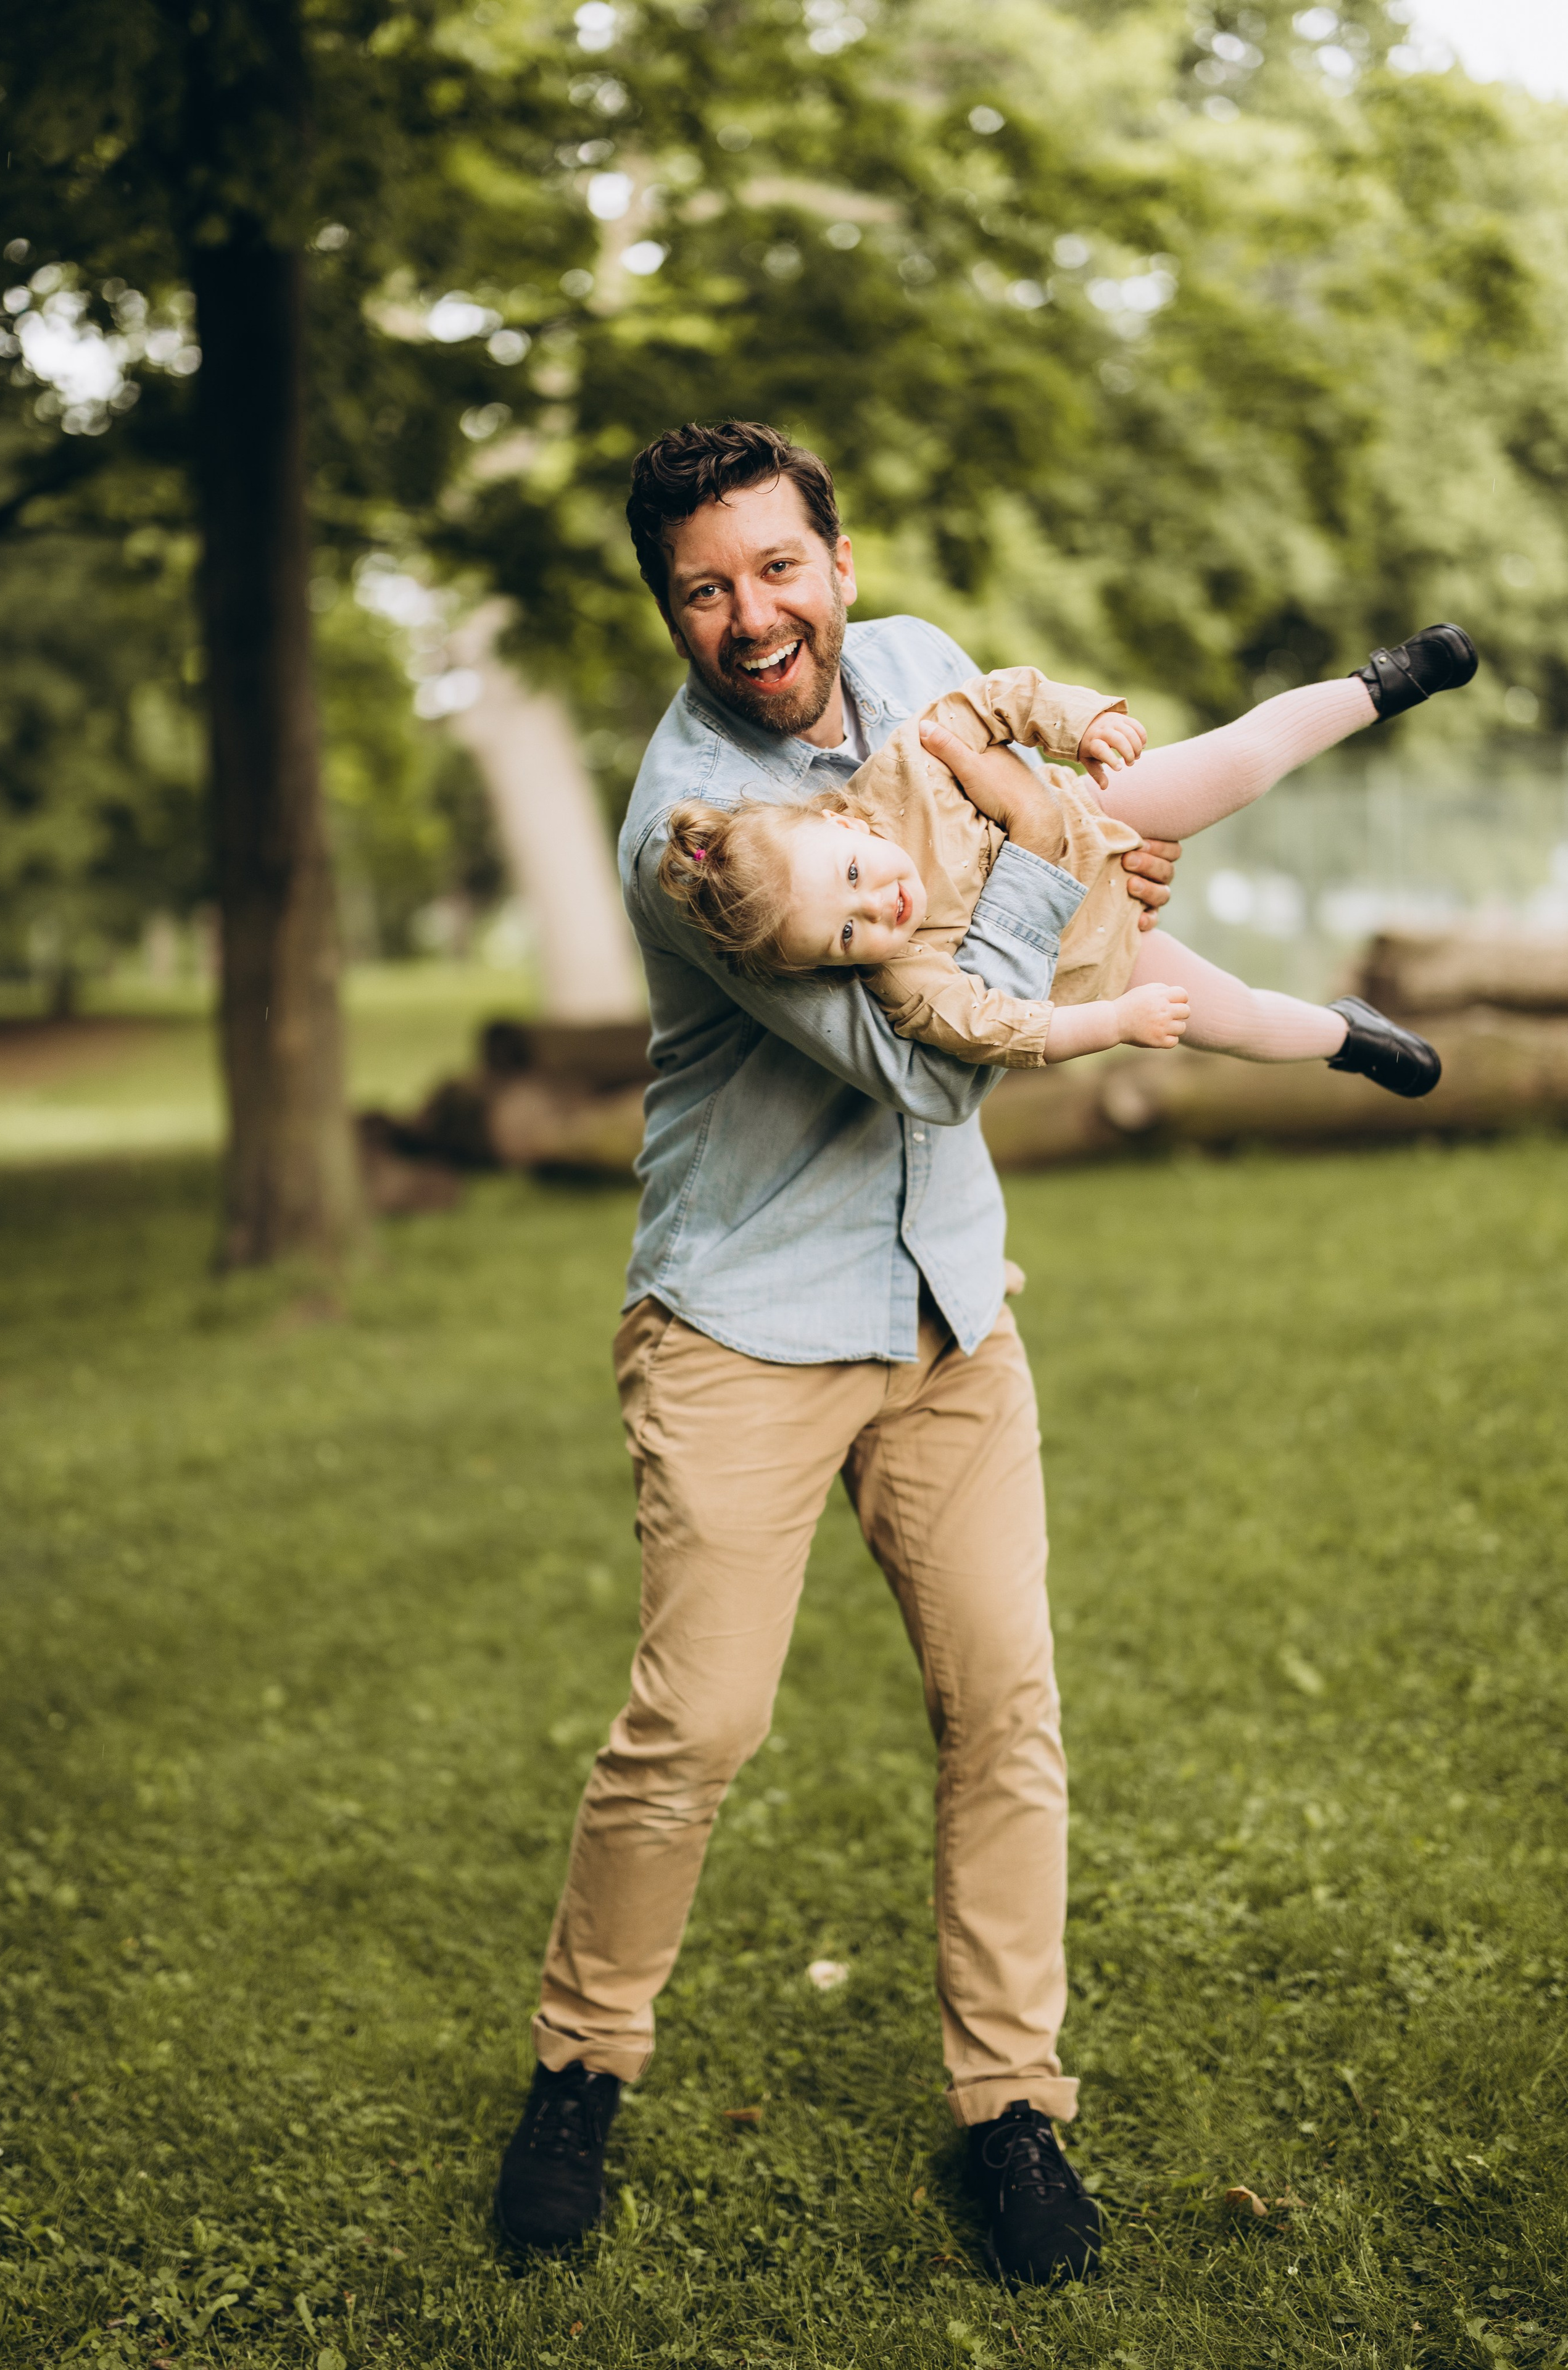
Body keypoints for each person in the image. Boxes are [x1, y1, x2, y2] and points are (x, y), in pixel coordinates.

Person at [489, 420, 1360, 2286]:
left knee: (1004, 1711)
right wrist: (1077, 877)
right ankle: (581, 2066)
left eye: (774, 568)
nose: (749, 616)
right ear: (672, 608)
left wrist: (1093, 876)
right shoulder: (692, 840)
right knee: (696, 1727)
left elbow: (1028, 906)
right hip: (745, 1325)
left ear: (842, 559)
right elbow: (918, 1058)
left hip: (949, 1310)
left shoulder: (923, 667)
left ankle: (1011, 2112)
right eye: (703, 589)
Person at [655, 648, 1473, 1092]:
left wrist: (1077, 726)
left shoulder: (908, 763)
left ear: (838, 819)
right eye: (844, 935)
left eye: (855, 876)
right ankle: (1348, 1035)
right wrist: (1113, 1025)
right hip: (1102, 960)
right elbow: (1003, 1032)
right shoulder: (904, 983)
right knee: (1237, 1022)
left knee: (1234, 763)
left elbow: (995, 702)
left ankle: (1375, 689)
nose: (878, 909)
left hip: (1096, 817)